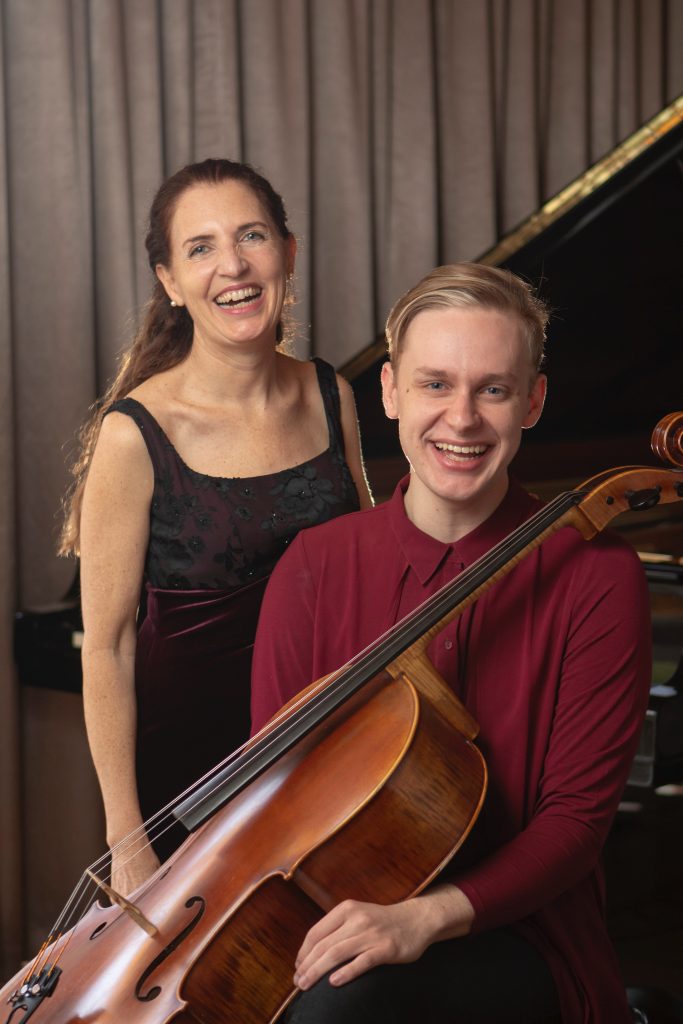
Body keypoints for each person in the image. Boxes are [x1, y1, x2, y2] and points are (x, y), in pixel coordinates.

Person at [250, 262, 652, 1023]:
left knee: (337, 1008)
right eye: (435, 384)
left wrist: (417, 919)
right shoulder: (314, 564)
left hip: (517, 929)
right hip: (330, 911)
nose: (461, 419)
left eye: (492, 389)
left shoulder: (597, 575)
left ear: (531, 401)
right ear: (392, 391)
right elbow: (272, 798)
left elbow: (573, 827)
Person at [60, 158, 372, 896]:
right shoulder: (135, 433)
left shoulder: (333, 394)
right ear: (169, 281)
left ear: (287, 254)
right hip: (189, 782)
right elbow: (104, 649)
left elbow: (366, 575)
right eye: (200, 248)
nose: (232, 265)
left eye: (252, 236)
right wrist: (128, 840)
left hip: (321, 757)